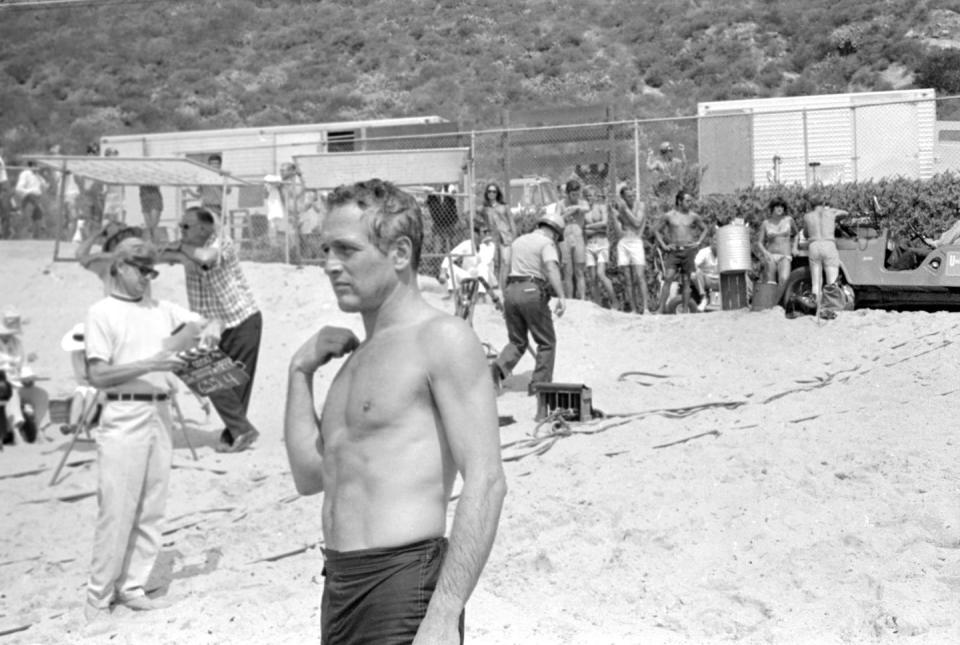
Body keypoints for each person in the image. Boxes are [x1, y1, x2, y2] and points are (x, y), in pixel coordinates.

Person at [283, 179, 506, 644]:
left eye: (346, 249)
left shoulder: (441, 339)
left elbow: (485, 479)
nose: (329, 264)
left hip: (404, 586)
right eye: (326, 248)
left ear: (400, 253)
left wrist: (445, 613)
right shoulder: (355, 361)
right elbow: (309, 476)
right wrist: (299, 373)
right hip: (340, 588)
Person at [83, 238, 221, 622]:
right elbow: (97, 374)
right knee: (117, 508)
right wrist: (150, 363)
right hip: (123, 412)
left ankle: (132, 587)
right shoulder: (102, 313)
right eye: (141, 269)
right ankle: (97, 597)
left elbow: (206, 322)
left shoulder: (162, 310)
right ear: (121, 267)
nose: (147, 277)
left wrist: (210, 329)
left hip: (160, 412)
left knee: (151, 507)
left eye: (152, 271)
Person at [162, 206, 262, 453]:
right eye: (180, 226)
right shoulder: (185, 248)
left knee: (236, 382)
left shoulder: (222, 242)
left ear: (204, 229)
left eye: (186, 226)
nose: (181, 231)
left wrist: (178, 248)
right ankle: (240, 430)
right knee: (192, 364)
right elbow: (159, 255)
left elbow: (207, 257)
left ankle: (236, 433)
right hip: (206, 325)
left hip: (241, 320)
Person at [491, 211, 566, 394]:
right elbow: (550, 267)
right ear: (554, 233)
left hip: (511, 290)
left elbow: (505, 267)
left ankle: (496, 370)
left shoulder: (518, 241)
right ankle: (540, 385)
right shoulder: (546, 243)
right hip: (531, 291)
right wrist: (561, 296)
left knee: (517, 341)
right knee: (546, 341)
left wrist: (503, 294)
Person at [655, 191, 708, 313]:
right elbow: (656, 230)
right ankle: (661, 308)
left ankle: (685, 310)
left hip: (688, 251)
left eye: (690, 201)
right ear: (679, 201)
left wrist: (698, 242)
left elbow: (704, 228)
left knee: (686, 281)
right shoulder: (669, 216)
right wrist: (664, 245)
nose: (690, 203)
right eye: (687, 201)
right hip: (674, 252)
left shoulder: (693, 216)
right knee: (668, 278)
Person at [612, 182, 651, 315]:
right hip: (623, 242)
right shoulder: (618, 207)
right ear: (623, 197)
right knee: (627, 278)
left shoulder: (640, 205)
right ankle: (634, 309)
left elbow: (637, 222)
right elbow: (618, 232)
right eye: (628, 196)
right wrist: (615, 215)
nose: (631, 198)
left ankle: (645, 308)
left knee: (640, 276)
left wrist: (624, 211)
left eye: (633, 195)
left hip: (635, 241)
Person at [802, 195, 846, 306]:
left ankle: (816, 306)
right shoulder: (831, 212)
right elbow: (846, 213)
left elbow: (805, 234)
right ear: (823, 204)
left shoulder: (807, 216)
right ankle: (832, 306)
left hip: (814, 245)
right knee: (831, 281)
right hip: (828, 244)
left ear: (811, 205)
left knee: (816, 282)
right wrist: (832, 212)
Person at [581, 185, 619, 309]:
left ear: (596, 196)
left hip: (602, 244)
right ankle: (597, 304)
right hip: (590, 245)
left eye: (592, 195)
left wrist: (589, 227)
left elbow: (604, 224)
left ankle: (614, 302)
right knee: (592, 278)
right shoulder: (584, 211)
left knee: (601, 274)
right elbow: (584, 231)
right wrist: (593, 230)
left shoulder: (601, 207)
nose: (590, 198)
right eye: (587, 196)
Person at [438, 222, 497, 299]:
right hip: (468, 276)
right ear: (476, 234)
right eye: (484, 232)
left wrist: (482, 244)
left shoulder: (490, 246)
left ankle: (480, 295)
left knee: (483, 267)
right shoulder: (467, 244)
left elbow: (485, 260)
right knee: (450, 266)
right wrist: (443, 272)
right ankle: (452, 293)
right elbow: (450, 256)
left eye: (488, 232)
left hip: (481, 279)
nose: (487, 234)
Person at [757, 196, 798, 287]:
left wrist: (795, 247)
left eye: (782, 206)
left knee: (784, 279)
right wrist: (765, 253)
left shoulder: (789, 220)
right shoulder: (766, 223)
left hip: (785, 255)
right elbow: (759, 242)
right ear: (772, 208)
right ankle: (771, 300)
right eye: (777, 206)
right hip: (771, 255)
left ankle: (782, 301)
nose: (780, 208)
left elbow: (796, 234)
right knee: (770, 282)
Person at [558, 178, 588, 299]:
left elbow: (587, 208)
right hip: (565, 238)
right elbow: (558, 218)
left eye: (577, 194)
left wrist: (576, 208)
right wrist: (568, 212)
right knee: (567, 272)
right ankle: (569, 300)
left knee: (579, 271)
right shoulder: (561, 204)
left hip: (578, 236)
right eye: (573, 194)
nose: (575, 197)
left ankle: (583, 298)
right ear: (568, 193)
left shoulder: (581, 203)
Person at [480, 182, 513, 291]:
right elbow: (481, 223)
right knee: (494, 263)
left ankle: (502, 287)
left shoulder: (504, 206)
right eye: (489, 191)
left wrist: (514, 236)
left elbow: (511, 222)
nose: (492, 193)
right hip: (492, 237)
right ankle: (494, 287)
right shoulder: (485, 208)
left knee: (506, 261)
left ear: (497, 193)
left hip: (505, 236)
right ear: (487, 193)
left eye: (494, 191)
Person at [646, 141, 687, 210]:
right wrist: (649, 156)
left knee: (675, 208)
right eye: (670, 151)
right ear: (665, 152)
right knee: (664, 208)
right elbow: (649, 168)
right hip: (663, 191)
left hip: (674, 190)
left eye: (672, 151)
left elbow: (684, 163)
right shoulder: (659, 163)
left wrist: (682, 152)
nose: (672, 153)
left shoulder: (675, 161)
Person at [14, 160, 48, 239]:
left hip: (37, 198)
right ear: (32, 165)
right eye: (37, 166)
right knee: (37, 207)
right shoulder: (25, 174)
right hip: (28, 198)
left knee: (36, 221)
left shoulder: (38, 176)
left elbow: (45, 186)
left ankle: (36, 235)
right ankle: (42, 222)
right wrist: (29, 191)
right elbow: (18, 188)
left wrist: (46, 185)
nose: (38, 168)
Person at [694, 236, 720, 312]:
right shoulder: (704, 252)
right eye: (715, 240)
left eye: (718, 240)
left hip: (721, 279)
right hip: (707, 279)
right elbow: (695, 264)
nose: (716, 242)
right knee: (695, 273)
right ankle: (703, 299)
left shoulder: (726, 252)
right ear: (711, 241)